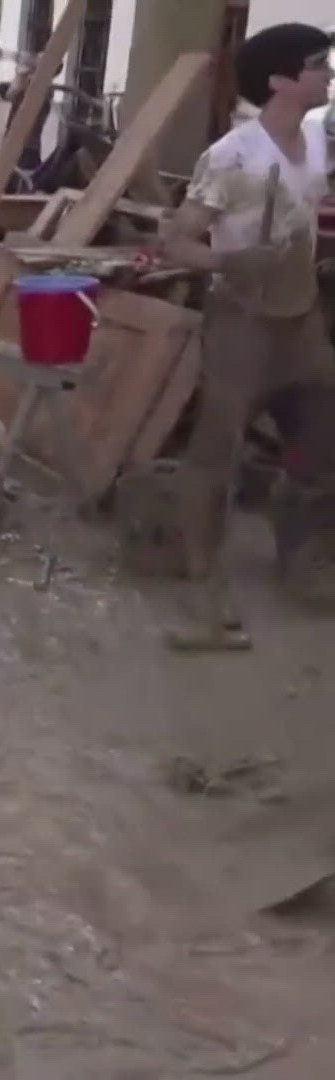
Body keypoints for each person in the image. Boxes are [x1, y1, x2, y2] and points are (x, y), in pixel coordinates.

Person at [158, 23, 335, 651]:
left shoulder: (315, 142)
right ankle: (201, 584)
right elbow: (174, 241)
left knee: (321, 439)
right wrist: (230, 262)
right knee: (216, 455)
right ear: (282, 80)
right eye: (318, 64)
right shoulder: (233, 155)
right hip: (243, 320)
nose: (328, 73)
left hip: (301, 317)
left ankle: (303, 558)